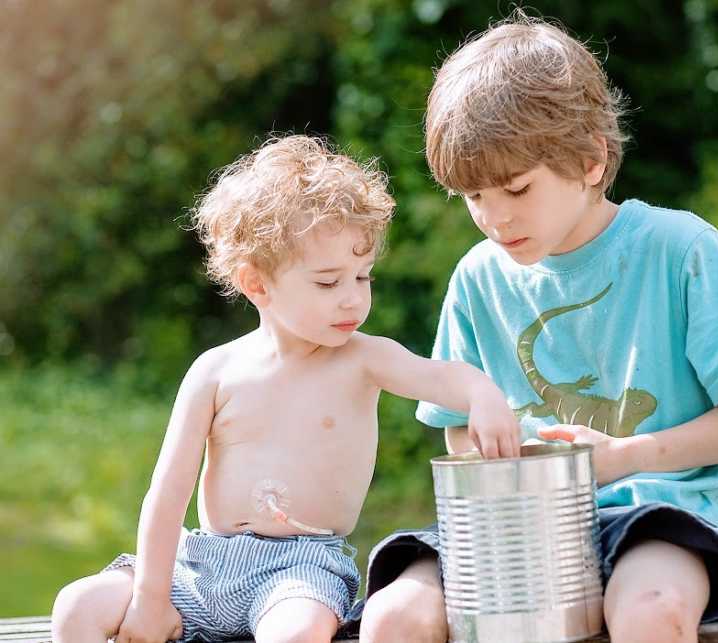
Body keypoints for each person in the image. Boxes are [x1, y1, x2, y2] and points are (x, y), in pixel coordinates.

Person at [359, 14, 718, 643]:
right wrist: (504, 462)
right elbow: (457, 431)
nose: (493, 218)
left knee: (649, 610)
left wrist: (626, 458)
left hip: (657, 518)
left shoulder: (679, 250)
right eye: (474, 197)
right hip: (511, 524)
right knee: (392, 617)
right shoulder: (477, 277)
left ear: (591, 160)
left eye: (516, 188)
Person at [50, 134, 521, 643]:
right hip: (201, 562)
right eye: (327, 282)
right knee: (77, 605)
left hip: (298, 571)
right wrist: (151, 598)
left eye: (363, 277)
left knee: (295, 634)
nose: (352, 300)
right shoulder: (216, 371)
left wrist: (483, 396)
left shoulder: (363, 358)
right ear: (257, 285)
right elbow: (167, 493)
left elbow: (441, 376)